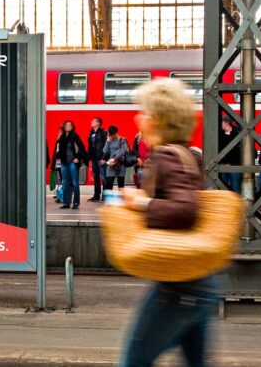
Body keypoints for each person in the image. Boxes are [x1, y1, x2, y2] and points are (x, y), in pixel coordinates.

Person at [121, 78, 219, 367]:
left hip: (180, 283)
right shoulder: (188, 154)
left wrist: (140, 203)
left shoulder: (165, 156)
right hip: (199, 276)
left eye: (144, 112)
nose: (139, 117)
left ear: (157, 119)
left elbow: (185, 208)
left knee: (133, 361)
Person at [54, 120, 87, 209]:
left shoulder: (74, 136)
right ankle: (66, 203)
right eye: (67, 125)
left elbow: (81, 147)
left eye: (70, 125)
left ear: (72, 127)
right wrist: (59, 158)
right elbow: (59, 150)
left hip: (72, 162)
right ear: (64, 127)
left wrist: (78, 158)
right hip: (64, 162)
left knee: (75, 183)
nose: (68, 126)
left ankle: (76, 203)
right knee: (65, 183)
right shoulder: (62, 137)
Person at [102, 125, 129, 190]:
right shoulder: (109, 140)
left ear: (116, 132)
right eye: (111, 134)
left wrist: (114, 159)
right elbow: (104, 151)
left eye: (113, 134)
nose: (112, 136)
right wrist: (107, 141)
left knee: (120, 185)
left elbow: (122, 152)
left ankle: (121, 199)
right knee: (109, 184)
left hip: (120, 164)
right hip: (111, 165)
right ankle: (109, 199)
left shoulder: (122, 140)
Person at [87, 117, 108, 201]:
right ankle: (96, 195)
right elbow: (90, 146)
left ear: (98, 123)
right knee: (96, 178)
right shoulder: (91, 132)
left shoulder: (104, 132)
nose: (91, 122)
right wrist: (90, 158)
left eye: (93, 121)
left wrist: (104, 158)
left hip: (101, 158)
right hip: (94, 158)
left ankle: (105, 196)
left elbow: (106, 146)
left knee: (104, 177)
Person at [219, 116, 241, 193]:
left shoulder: (237, 134)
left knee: (235, 188)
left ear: (227, 123)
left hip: (234, 165)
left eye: (222, 122)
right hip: (223, 165)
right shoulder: (220, 134)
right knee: (222, 188)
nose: (221, 124)